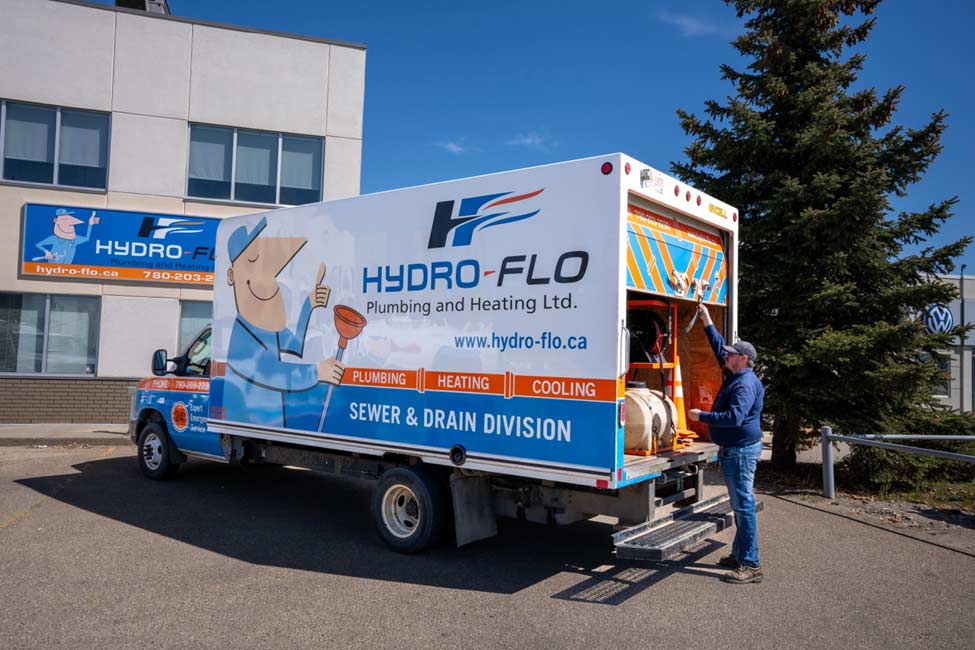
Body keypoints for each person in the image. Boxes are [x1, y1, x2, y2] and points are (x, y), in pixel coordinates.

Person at [222, 216, 345, 429]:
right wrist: (318, 372)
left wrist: (309, 304)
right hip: (248, 421)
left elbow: (296, 346)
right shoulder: (241, 333)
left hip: (271, 423)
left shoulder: (266, 326)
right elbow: (270, 372)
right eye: (252, 263)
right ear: (232, 275)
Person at [688, 304, 765, 584]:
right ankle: (740, 554)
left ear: (742, 359)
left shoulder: (745, 384)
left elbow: (734, 418)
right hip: (737, 450)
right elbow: (718, 346)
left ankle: (751, 564)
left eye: (732, 354)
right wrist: (707, 319)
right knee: (739, 504)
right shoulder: (738, 374)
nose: (726, 355)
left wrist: (703, 416)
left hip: (741, 452)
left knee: (743, 506)